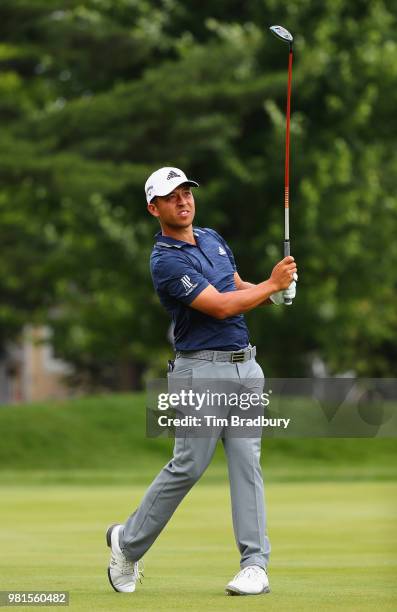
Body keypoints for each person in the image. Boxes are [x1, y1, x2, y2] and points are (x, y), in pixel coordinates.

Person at [106, 167, 298, 596]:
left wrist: (273, 293)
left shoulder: (212, 239)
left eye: (187, 192)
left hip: (246, 369)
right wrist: (270, 284)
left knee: (247, 465)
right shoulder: (166, 260)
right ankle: (128, 543)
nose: (183, 200)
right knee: (189, 464)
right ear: (154, 207)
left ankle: (255, 565)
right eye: (172, 196)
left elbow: (235, 288)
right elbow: (220, 307)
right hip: (200, 372)